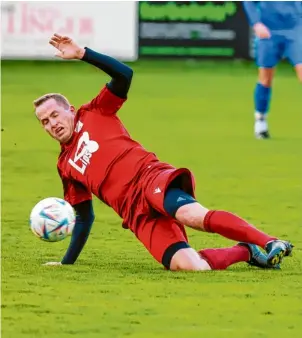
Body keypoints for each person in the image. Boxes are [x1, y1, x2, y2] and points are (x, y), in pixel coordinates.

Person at [34, 33, 293, 271]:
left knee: (193, 216)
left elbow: (124, 75)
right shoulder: (65, 164)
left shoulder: (94, 112)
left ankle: (270, 242)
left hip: (149, 179)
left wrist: (84, 54)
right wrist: (66, 264)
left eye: (55, 114)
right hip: (134, 214)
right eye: (45, 121)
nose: (52, 124)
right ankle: (246, 252)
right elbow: (84, 216)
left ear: (69, 108)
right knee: (189, 266)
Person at [243, 1, 302, 139]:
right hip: (269, 30)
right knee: (265, 78)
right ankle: (260, 120)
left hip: (295, 28)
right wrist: (256, 23)